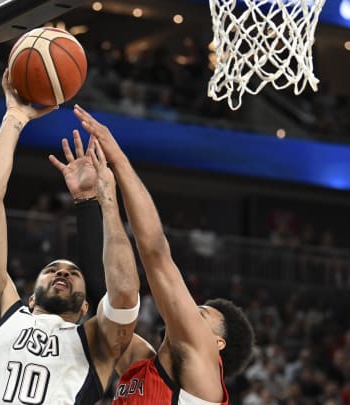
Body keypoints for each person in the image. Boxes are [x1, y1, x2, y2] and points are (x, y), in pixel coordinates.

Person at [0, 70, 140, 404]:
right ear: (29, 298)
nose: (62, 273)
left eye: (73, 274)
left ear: (87, 306)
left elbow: (125, 292)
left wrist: (106, 200)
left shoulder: (95, 342)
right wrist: (14, 117)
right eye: (54, 269)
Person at [74, 104, 255, 404]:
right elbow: (111, 296)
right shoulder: (141, 363)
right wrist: (101, 200)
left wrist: (118, 159)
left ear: (217, 344)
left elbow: (155, 251)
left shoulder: (203, 374)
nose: (186, 311)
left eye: (200, 315)